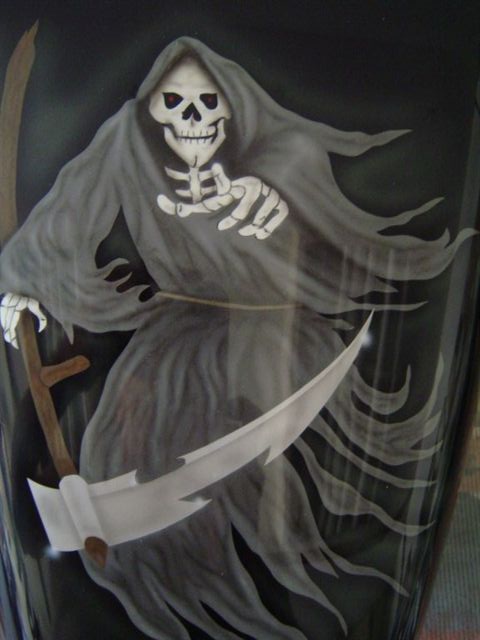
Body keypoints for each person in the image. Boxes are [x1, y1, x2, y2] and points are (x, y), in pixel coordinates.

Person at [0, 37, 474, 639]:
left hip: (274, 333)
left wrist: (277, 203)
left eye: (206, 104)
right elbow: (67, 210)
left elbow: (323, 239)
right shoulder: (126, 143)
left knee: (271, 496)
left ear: (233, 109)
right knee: (123, 450)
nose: (191, 120)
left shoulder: (281, 156)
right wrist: (22, 280)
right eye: (174, 105)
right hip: (169, 339)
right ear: (153, 113)